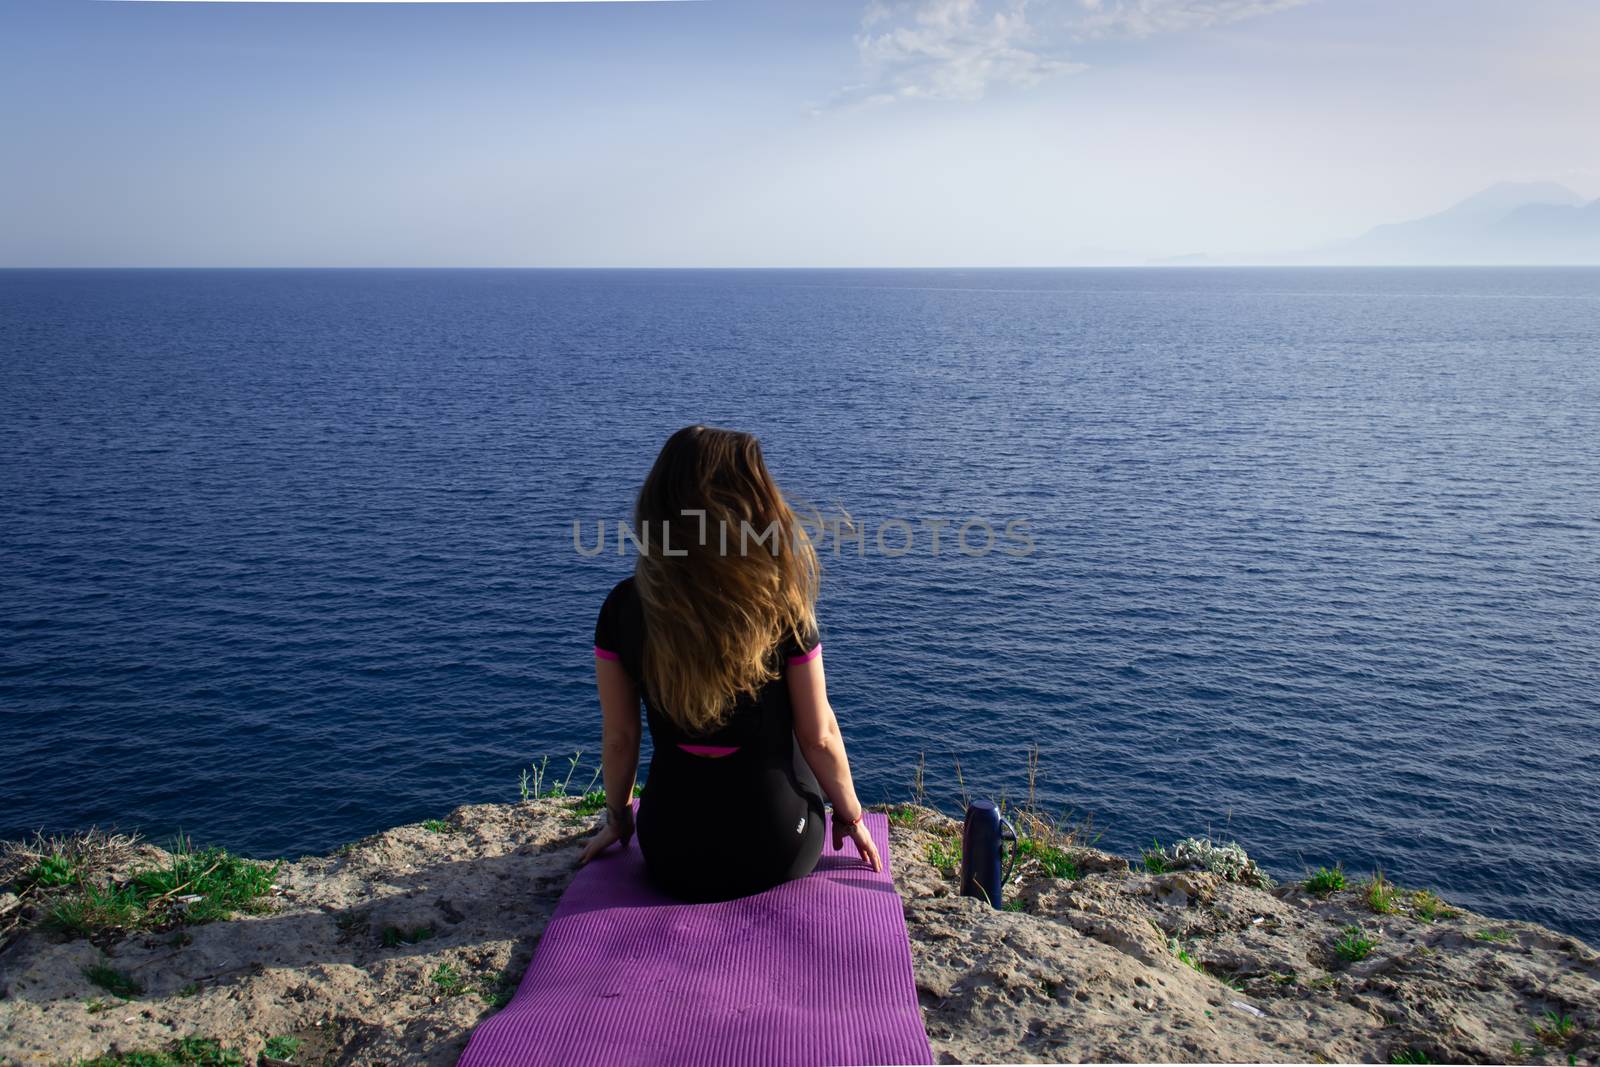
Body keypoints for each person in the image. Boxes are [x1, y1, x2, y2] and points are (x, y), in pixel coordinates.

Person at [576, 424, 882, 902]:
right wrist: (852, 818)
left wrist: (618, 820)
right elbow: (819, 737)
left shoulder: (622, 607)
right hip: (778, 848)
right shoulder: (781, 606)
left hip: (671, 851)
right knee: (800, 730)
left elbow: (620, 739)